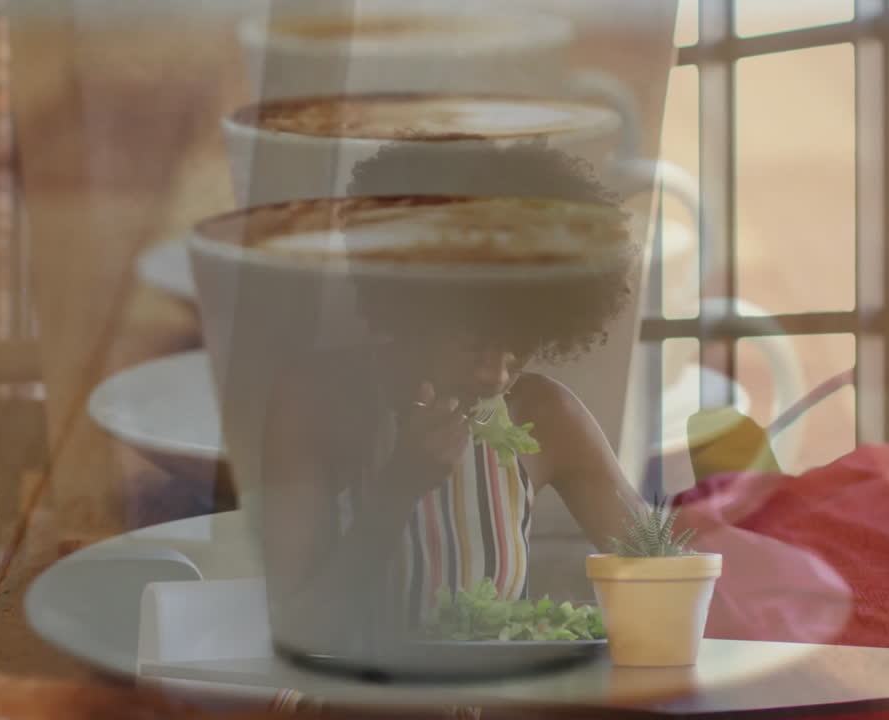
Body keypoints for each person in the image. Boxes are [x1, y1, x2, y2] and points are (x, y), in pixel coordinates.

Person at [258, 139, 653, 659]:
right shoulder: (318, 400)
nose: (495, 375)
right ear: (413, 308)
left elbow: (661, 568)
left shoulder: (544, 416)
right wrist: (395, 494)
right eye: (474, 346)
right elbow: (297, 630)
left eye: (520, 350)